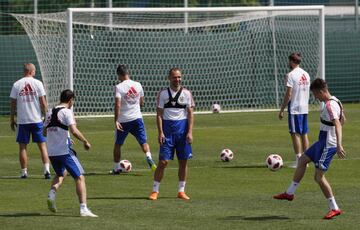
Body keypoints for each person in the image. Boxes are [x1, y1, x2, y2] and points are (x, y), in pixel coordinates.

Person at [273, 78, 346, 220]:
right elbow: (344, 119)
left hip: (328, 145)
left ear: (321, 91)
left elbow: (338, 123)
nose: (315, 97)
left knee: (318, 177)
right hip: (321, 141)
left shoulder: (330, 105)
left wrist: (338, 144)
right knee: (302, 160)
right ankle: (289, 193)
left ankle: (335, 208)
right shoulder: (336, 101)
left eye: (315, 94)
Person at [44, 89, 97, 217]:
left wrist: (65, 138)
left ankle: (51, 194)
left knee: (61, 173)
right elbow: (74, 130)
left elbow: (44, 132)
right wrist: (85, 141)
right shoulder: (67, 112)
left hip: (52, 152)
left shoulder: (50, 112)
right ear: (71, 100)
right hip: (64, 151)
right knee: (80, 177)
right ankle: (83, 208)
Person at [149, 67, 194, 201]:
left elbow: (191, 114)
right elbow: (159, 114)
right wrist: (160, 132)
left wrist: (190, 132)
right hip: (167, 131)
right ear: (169, 78)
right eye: (174, 77)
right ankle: (155, 190)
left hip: (182, 130)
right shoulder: (163, 94)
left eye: (179, 77)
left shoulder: (187, 93)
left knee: (183, 161)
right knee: (163, 162)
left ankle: (181, 190)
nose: (177, 79)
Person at [110, 64, 156, 174]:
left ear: (119, 75)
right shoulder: (138, 85)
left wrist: (116, 120)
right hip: (137, 118)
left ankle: (116, 168)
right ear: (128, 73)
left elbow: (117, 105)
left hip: (124, 120)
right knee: (143, 142)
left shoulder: (119, 87)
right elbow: (142, 102)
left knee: (118, 144)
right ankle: (149, 157)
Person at [10, 63, 51, 179]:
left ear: (24, 71)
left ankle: (24, 172)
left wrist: (12, 119)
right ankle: (47, 171)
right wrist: (48, 118)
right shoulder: (38, 83)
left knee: (22, 147)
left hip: (23, 121)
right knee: (42, 146)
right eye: (34, 71)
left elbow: (12, 104)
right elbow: (43, 103)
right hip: (37, 120)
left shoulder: (16, 84)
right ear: (31, 71)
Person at [278, 53, 310, 168]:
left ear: (291, 61)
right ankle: (306, 160)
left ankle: (299, 161)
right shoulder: (306, 74)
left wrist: (282, 109)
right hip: (305, 108)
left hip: (295, 108)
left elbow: (289, 94)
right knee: (304, 134)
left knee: (295, 133)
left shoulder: (291, 75)